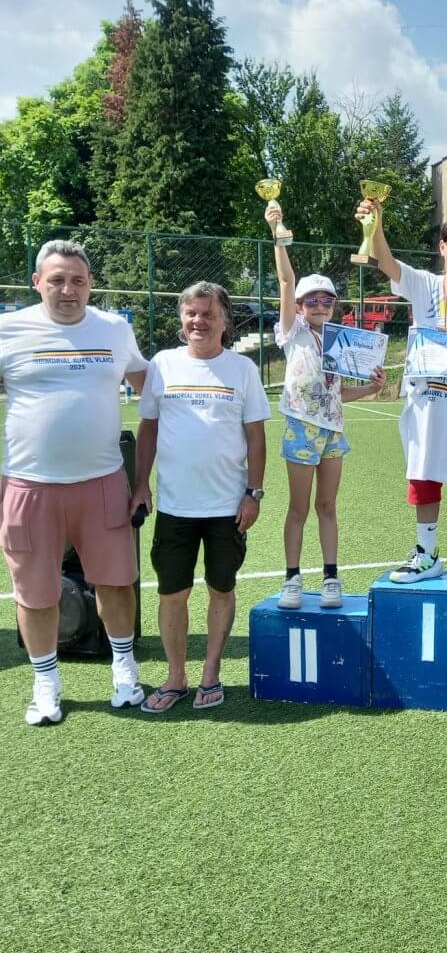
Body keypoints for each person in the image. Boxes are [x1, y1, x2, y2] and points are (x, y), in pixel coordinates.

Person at [0, 240, 148, 725]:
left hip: (103, 482)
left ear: (90, 286)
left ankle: (125, 670)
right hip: (28, 486)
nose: (68, 289)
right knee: (35, 593)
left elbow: (153, 391)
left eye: (78, 280)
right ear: (37, 282)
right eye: (57, 279)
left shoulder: (114, 328)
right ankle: (46, 683)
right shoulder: (8, 330)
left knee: (117, 584)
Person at [131, 282, 270, 712]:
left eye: (208, 314)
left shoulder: (242, 369)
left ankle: (211, 674)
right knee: (172, 593)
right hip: (174, 506)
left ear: (224, 321)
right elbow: (149, 428)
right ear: (181, 318)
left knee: (220, 589)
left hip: (227, 507)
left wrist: (253, 493)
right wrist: (140, 484)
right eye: (192, 313)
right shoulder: (163, 364)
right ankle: (176, 678)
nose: (199, 321)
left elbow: (256, 435)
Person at [354, 201, 447, 586]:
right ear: (441, 247)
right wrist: (377, 226)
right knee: (423, 477)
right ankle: (427, 554)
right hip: (425, 405)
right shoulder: (424, 284)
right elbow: (386, 261)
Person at [265, 208, 386, 610]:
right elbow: (285, 280)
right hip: (301, 428)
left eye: (327, 300)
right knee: (299, 508)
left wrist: (370, 387)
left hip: (333, 430)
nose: (319, 304)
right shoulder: (292, 332)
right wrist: (276, 232)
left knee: (328, 506)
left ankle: (331, 577)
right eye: (311, 300)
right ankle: (293, 579)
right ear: (299, 306)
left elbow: (337, 395)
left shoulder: (338, 341)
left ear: (335, 306)